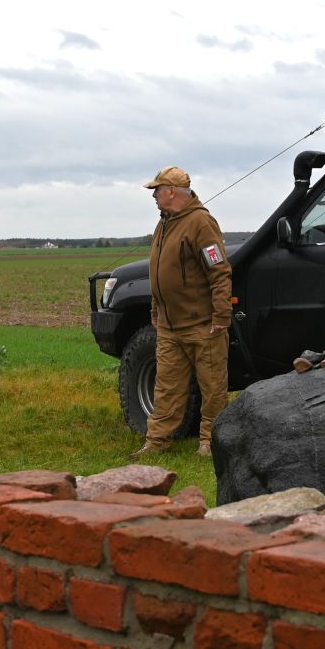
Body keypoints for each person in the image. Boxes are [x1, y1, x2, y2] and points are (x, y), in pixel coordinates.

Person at [136, 166, 233, 457]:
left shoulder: (200, 223)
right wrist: (156, 308)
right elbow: (160, 273)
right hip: (169, 325)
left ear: (171, 192)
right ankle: (157, 441)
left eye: (157, 190)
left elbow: (219, 271)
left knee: (213, 386)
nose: (153, 195)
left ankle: (209, 442)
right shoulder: (164, 223)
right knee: (166, 387)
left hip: (202, 324)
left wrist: (221, 316)